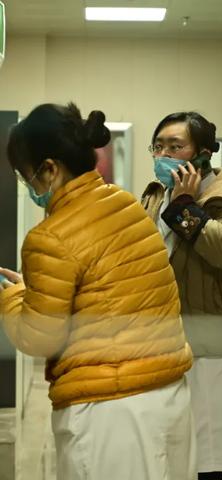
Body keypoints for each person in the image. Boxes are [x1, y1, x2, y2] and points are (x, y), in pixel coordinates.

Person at [0, 103, 195, 480]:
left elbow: (39, 337)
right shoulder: (127, 205)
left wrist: (11, 297)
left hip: (110, 410)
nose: (30, 188)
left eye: (27, 177)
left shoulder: (50, 237)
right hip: (168, 393)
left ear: (50, 169)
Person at [142, 112, 222, 480]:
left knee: (208, 460)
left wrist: (184, 207)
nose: (164, 155)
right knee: (171, 453)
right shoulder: (155, 194)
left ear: (203, 153)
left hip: (214, 347)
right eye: (158, 146)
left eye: (175, 147)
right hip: (165, 340)